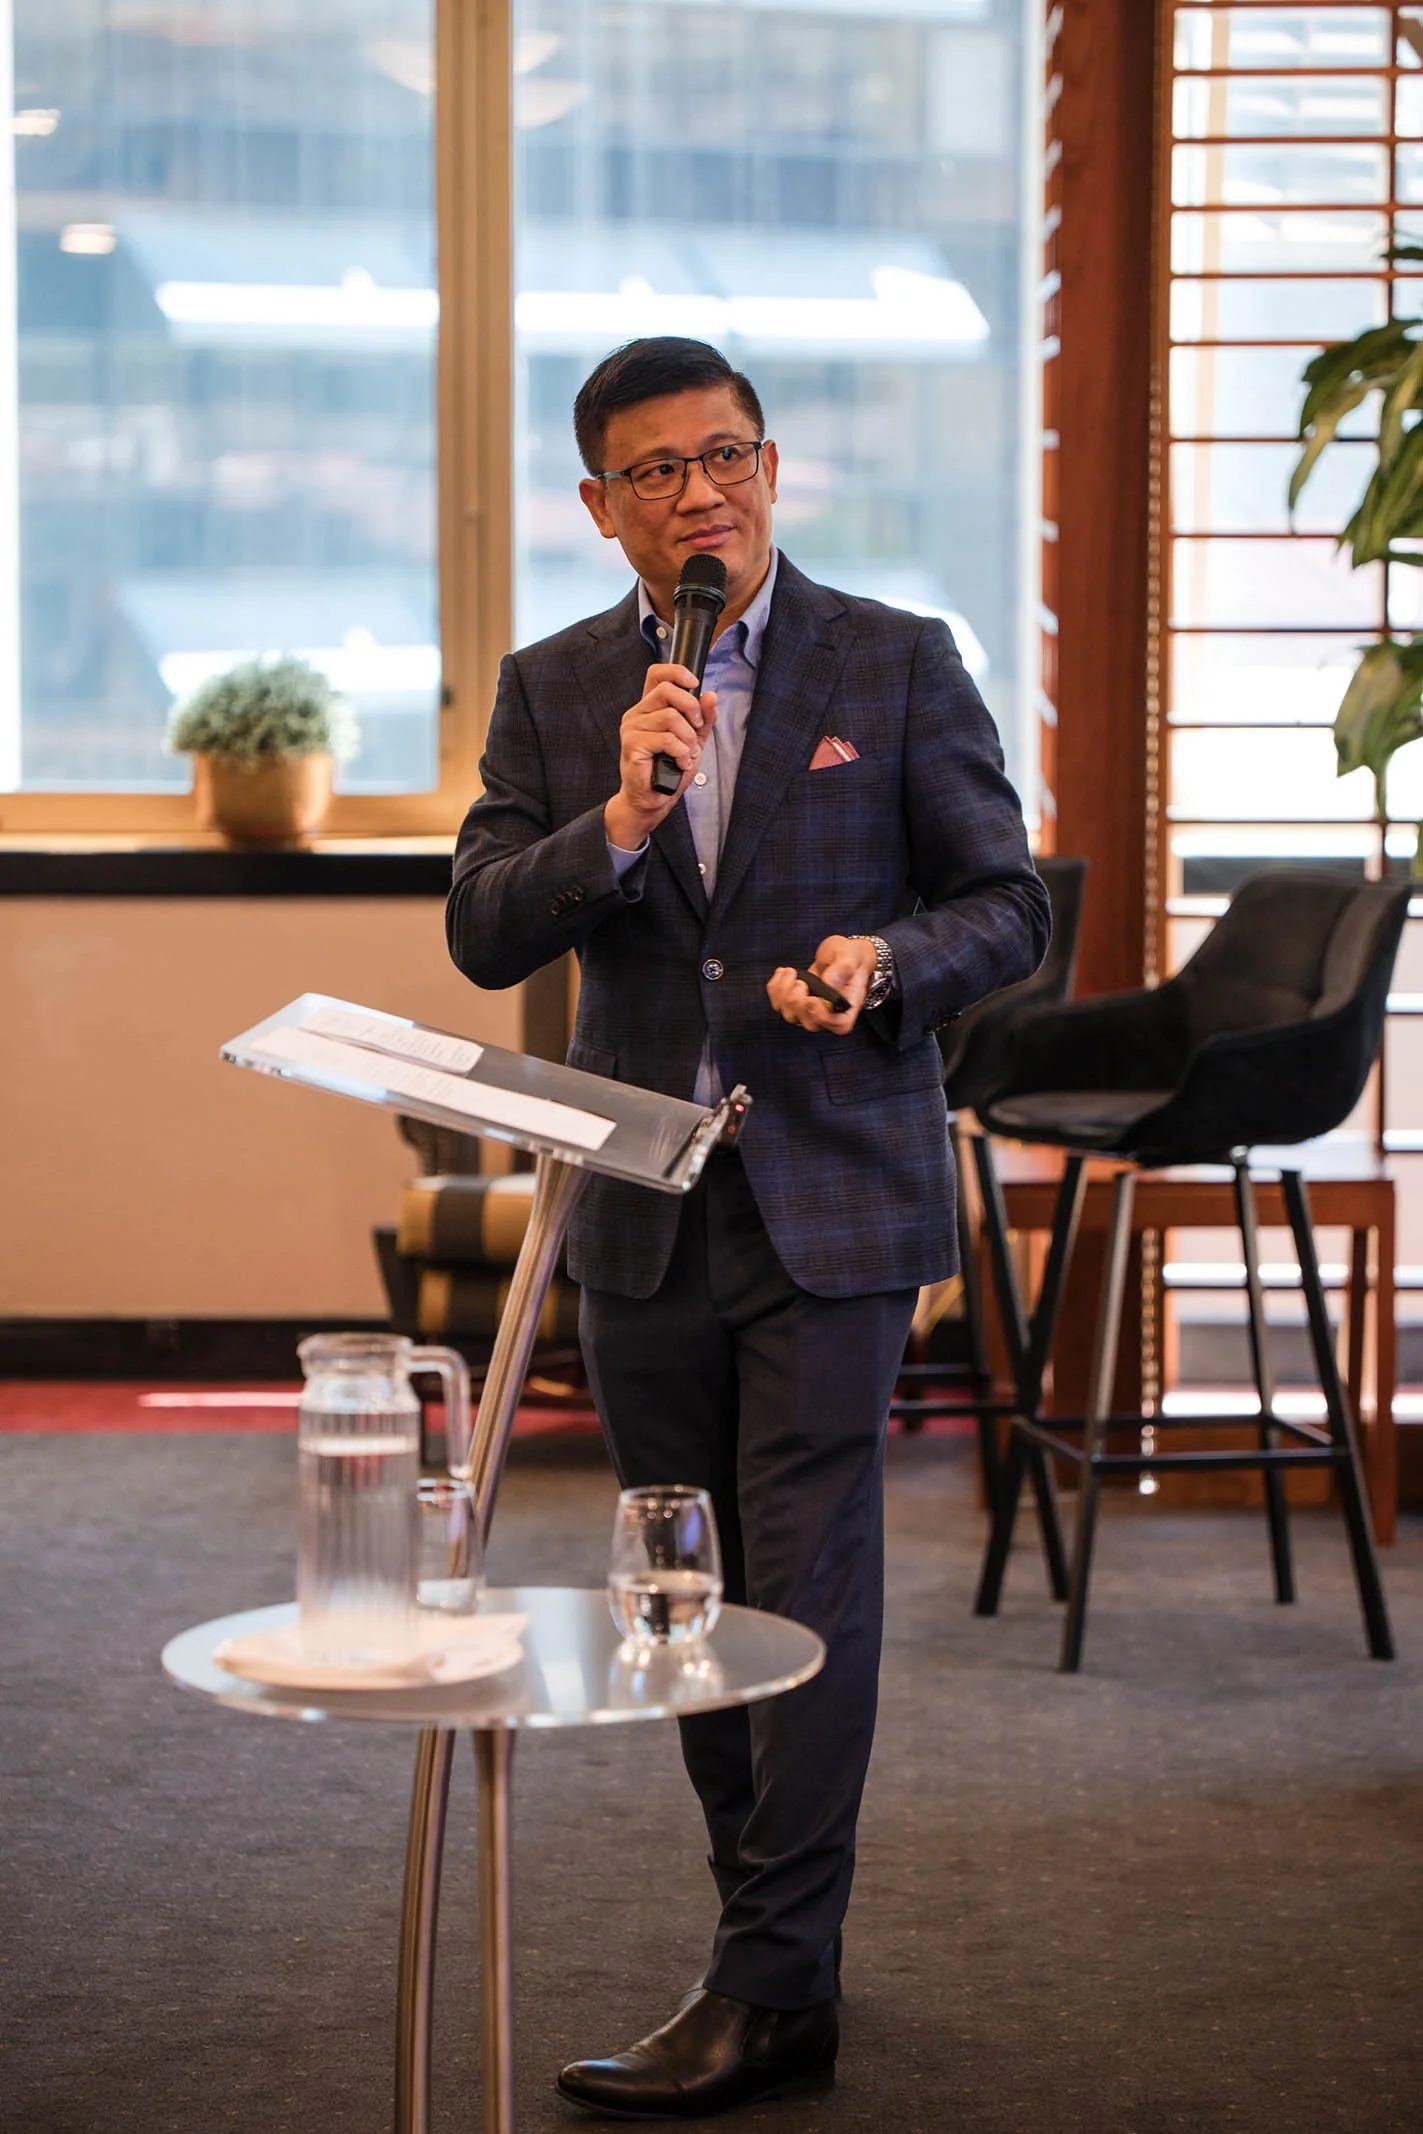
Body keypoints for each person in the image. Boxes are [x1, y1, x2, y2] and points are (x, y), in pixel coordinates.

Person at [446, 336, 1049, 2119]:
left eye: (726, 456)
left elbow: (1004, 902)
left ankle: (772, 1975)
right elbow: (485, 928)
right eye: (657, 472)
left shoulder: (896, 657)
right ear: (599, 507)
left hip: (833, 1187)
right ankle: (764, 1945)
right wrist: (615, 819)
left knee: (812, 1576)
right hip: (642, 1204)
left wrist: (888, 965)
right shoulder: (559, 690)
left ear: (772, 466)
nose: (701, 495)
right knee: (679, 1593)